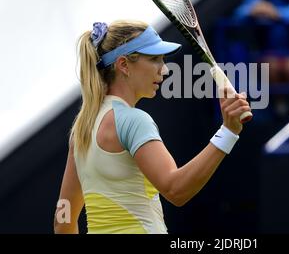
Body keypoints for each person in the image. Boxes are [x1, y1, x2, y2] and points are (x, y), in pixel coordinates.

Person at [53, 21, 251, 234]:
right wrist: (228, 132)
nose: (164, 70)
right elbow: (176, 190)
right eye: (154, 59)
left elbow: (62, 218)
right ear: (124, 65)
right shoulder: (135, 121)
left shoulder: (82, 129)